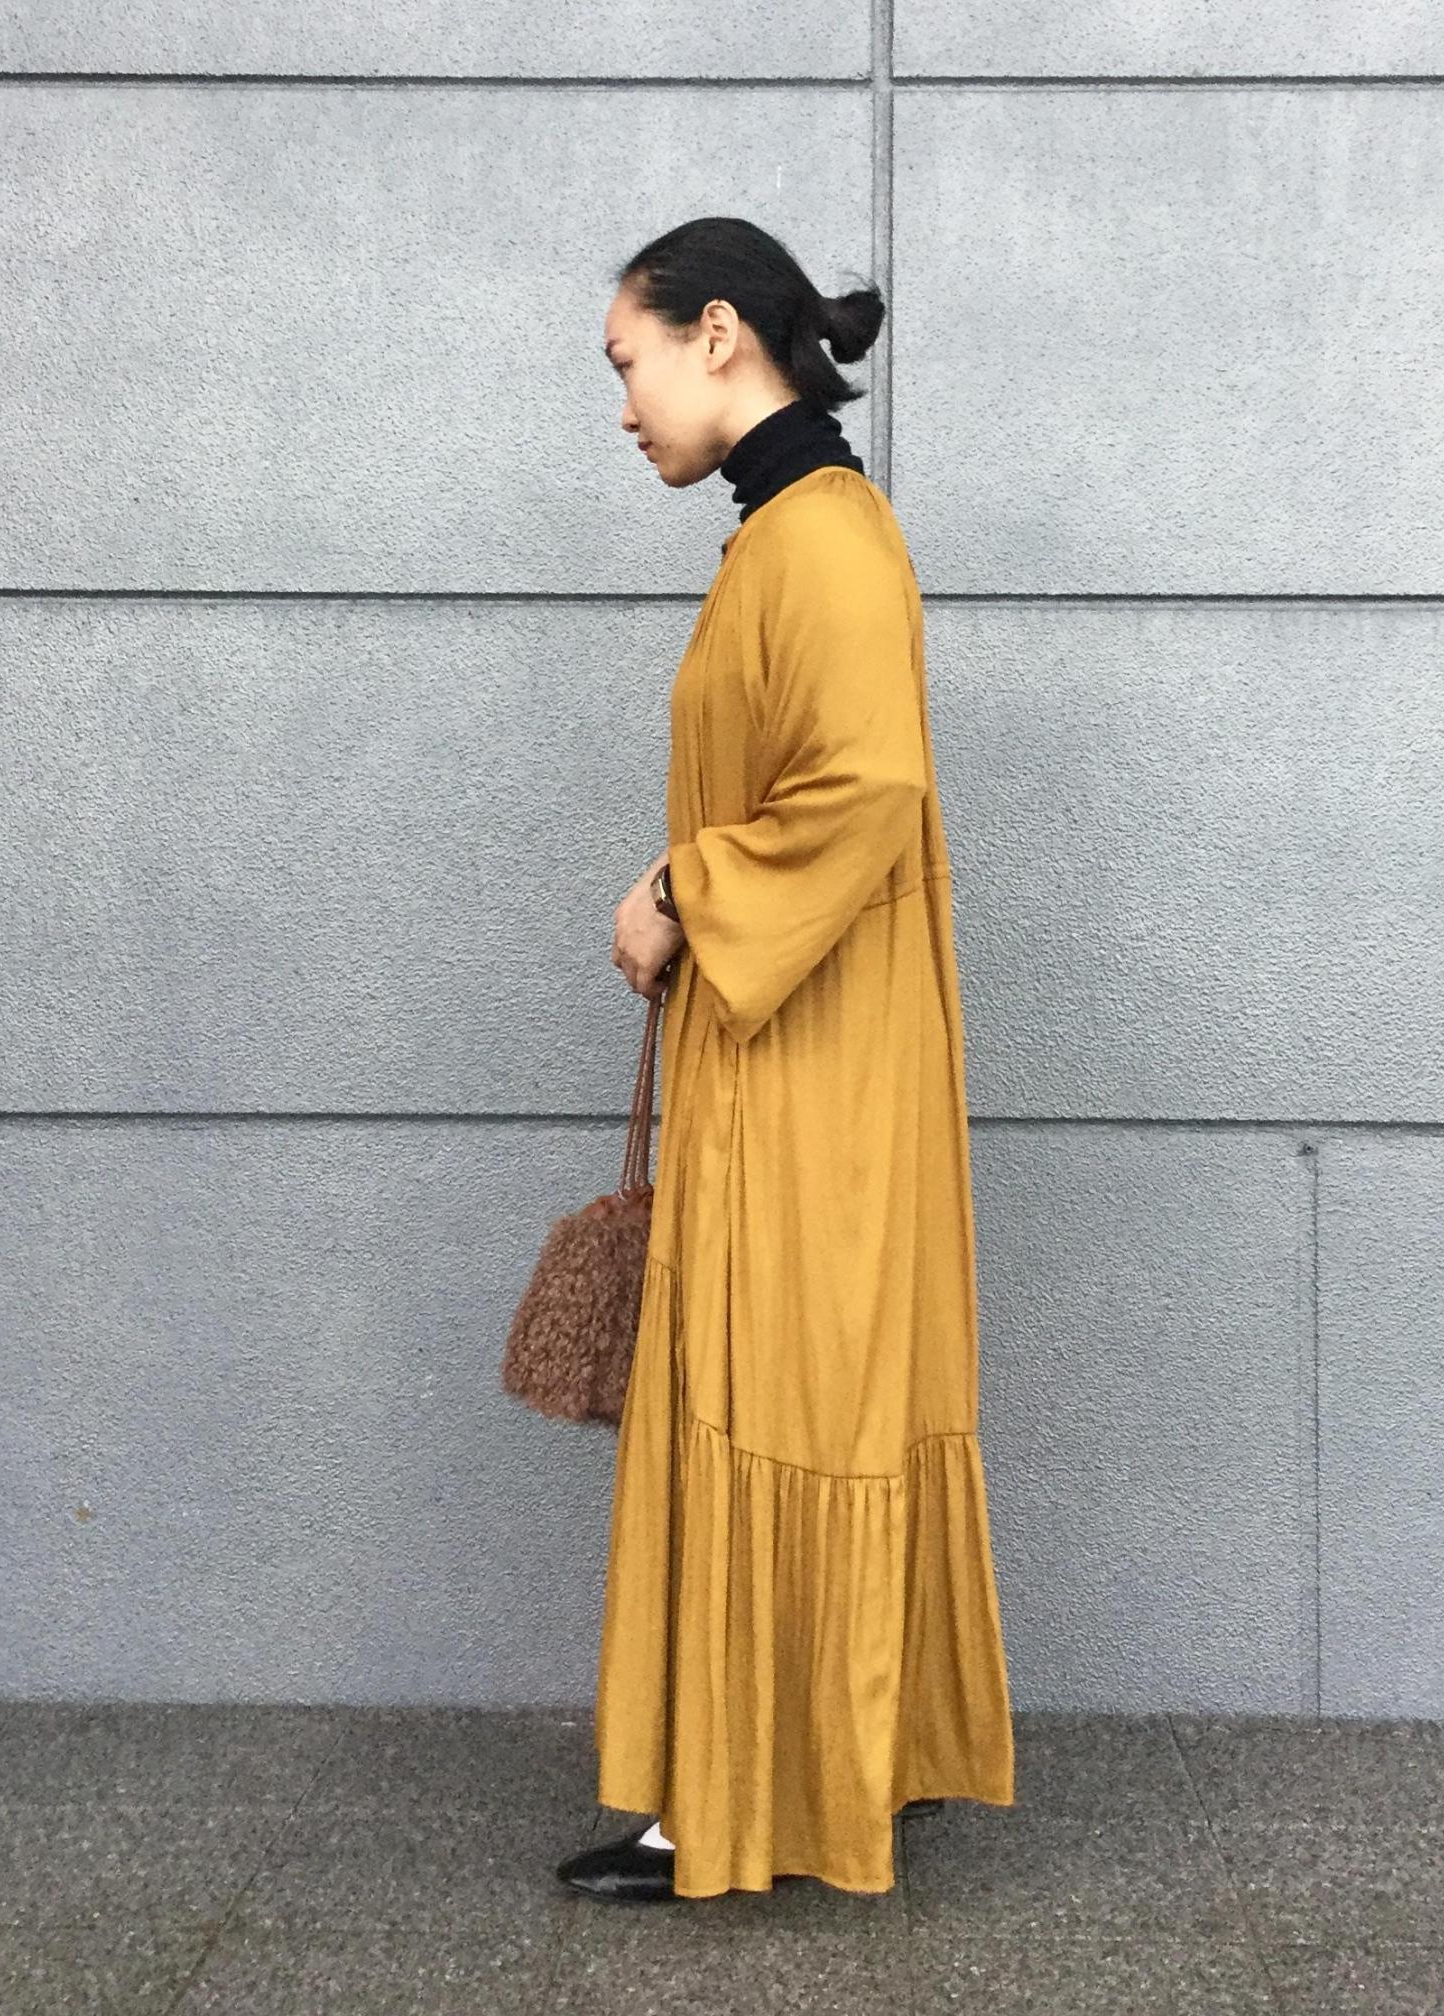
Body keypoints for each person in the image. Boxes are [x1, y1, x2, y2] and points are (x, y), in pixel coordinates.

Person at [555, 216, 1014, 1904]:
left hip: (811, 1057)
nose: (623, 407)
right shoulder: (798, 531)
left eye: (630, 362)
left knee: (777, 1382)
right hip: (796, 1037)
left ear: (718, 335)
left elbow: (862, 787)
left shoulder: (819, 540)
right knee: (795, 1385)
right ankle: (831, 1758)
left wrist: (685, 892)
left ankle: (756, 1797)